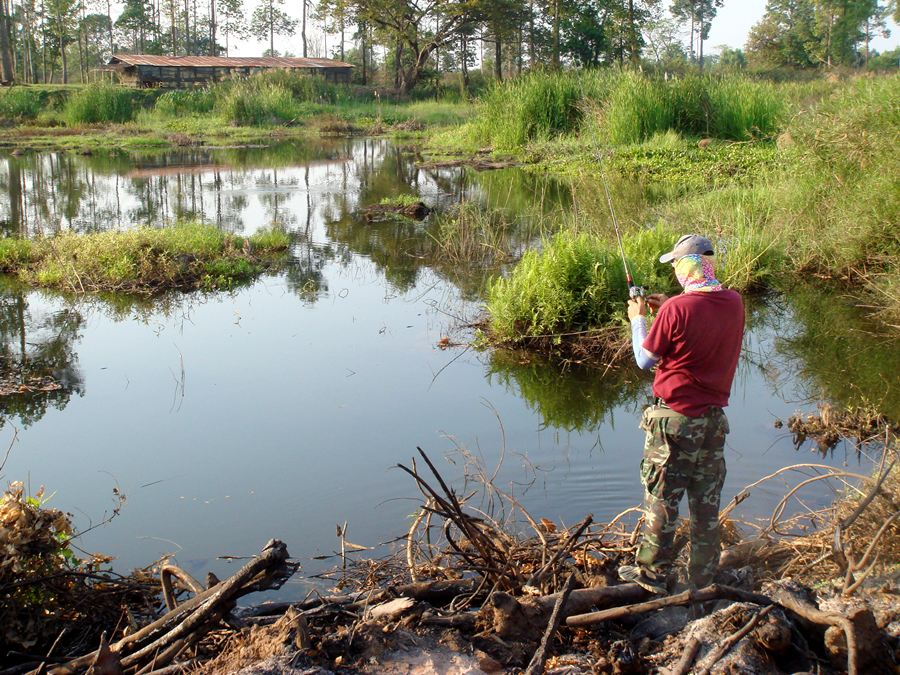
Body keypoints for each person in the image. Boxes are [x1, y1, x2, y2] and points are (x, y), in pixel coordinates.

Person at [618, 234, 745, 595]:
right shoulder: (734, 302)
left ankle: (652, 576)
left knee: (663, 500)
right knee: (706, 505)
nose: (673, 269)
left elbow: (645, 360)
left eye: (675, 263)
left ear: (687, 266)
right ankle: (703, 579)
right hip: (714, 423)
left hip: (673, 423)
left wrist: (638, 319)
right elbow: (701, 317)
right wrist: (672, 306)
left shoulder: (676, 310)